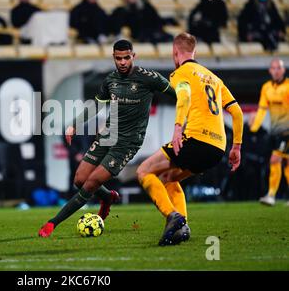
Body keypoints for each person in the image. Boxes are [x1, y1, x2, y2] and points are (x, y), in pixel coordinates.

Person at [38, 39, 177, 237]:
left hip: (128, 142)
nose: (122, 62)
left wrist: (183, 124)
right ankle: (107, 198)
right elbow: (96, 106)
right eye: (118, 58)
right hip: (107, 135)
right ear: (114, 58)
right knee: (80, 179)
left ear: (133, 57)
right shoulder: (110, 80)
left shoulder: (149, 78)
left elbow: (178, 96)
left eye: (126, 58)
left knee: (91, 183)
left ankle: (53, 222)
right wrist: (74, 125)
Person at [136, 33, 243, 246]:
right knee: (169, 177)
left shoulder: (180, 73)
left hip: (195, 140)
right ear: (194, 51)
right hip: (217, 149)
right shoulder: (214, 78)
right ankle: (182, 226)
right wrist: (236, 147)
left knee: (143, 171)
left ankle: (172, 217)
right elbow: (237, 112)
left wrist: (177, 129)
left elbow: (183, 97)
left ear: (175, 52)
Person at [249, 58, 289, 206]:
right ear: (270, 71)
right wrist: (254, 127)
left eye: (279, 68)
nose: (276, 70)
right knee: (286, 164)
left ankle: (271, 195)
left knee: (275, 159)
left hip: (287, 132)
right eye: (274, 68)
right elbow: (262, 109)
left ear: (283, 70)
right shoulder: (266, 87)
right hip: (275, 132)